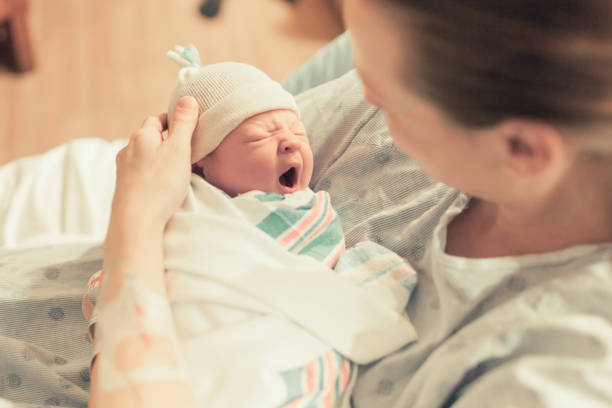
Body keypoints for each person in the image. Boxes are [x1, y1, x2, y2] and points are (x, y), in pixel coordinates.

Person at [90, 0, 612, 407]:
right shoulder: (412, 93)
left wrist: (134, 218)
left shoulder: (548, 371)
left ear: (521, 149)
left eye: (388, 98)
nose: (363, 94)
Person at [85, 47, 418, 407]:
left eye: (297, 130)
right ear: (200, 168)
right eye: (259, 138)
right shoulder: (188, 211)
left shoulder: (307, 210)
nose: (290, 140)